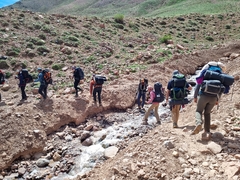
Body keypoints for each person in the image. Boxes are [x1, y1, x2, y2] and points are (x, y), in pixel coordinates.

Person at [191, 62, 230, 140]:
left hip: (203, 96)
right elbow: (221, 90)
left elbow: (198, 85)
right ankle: (207, 131)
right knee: (207, 113)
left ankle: (199, 123)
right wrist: (217, 100)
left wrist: (195, 96)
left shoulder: (206, 74)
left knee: (198, 111)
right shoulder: (221, 76)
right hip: (214, 98)